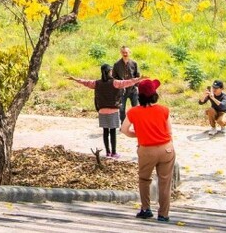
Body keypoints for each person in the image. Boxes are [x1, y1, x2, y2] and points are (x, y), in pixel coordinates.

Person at [121, 78, 175, 222]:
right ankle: (163, 214)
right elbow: (169, 131)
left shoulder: (133, 112)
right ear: (154, 94)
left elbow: (124, 130)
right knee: (165, 182)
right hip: (166, 149)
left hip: (146, 150)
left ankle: (146, 209)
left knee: (144, 179)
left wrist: (138, 134)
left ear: (140, 96)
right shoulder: (164, 110)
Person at [69, 64, 145, 158]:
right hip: (113, 110)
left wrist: (75, 79)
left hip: (102, 110)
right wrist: (139, 79)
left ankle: (107, 152)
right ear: (109, 71)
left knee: (105, 131)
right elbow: (128, 82)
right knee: (113, 132)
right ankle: (114, 152)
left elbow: (86, 82)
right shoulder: (115, 83)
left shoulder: (97, 83)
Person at [113, 46, 140, 123]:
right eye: (123, 52)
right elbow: (114, 77)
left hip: (133, 90)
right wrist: (119, 85)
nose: (125, 54)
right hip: (122, 91)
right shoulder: (116, 64)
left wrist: (136, 86)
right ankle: (123, 124)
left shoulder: (134, 63)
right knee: (121, 109)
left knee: (135, 109)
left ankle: (136, 124)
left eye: (126, 52)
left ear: (129, 53)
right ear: (121, 53)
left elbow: (137, 76)